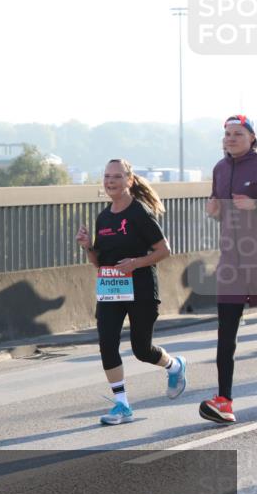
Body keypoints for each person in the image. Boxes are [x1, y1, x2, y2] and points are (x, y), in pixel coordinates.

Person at [76, 159, 187, 425]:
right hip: (111, 289)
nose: (110, 181)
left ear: (129, 180)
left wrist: (135, 263)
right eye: (106, 176)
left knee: (141, 349)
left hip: (141, 289)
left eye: (116, 176)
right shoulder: (103, 217)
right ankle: (122, 405)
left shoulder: (139, 213)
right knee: (107, 344)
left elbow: (164, 250)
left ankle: (175, 366)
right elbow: (99, 262)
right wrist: (87, 246)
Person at [202, 114, 257, 424]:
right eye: (227, 133)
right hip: (231, 264)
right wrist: (214, 211)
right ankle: (224, 401)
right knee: (226, 337)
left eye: (237, 133)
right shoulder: (220, 169)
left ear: (252, 138)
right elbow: (218, 208)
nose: (230, 138)